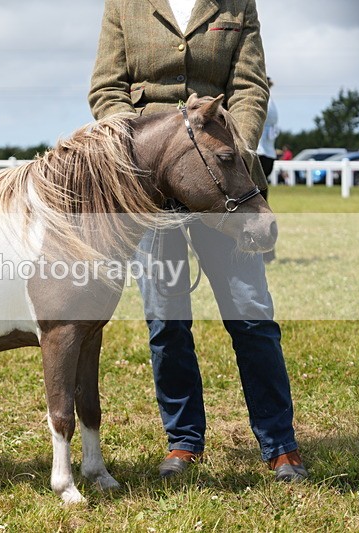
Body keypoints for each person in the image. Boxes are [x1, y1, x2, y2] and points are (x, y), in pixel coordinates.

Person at [88, 0, 307, 482]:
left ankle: (279, 443)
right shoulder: (124, 5)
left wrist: (229, 148)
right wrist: (148, 147)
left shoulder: (237, 4)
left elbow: (249, 86)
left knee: (251, 313)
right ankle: (184, 440)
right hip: (152, 188)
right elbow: (107, 89)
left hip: (225, 181)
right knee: (166, 319)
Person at [257, 77, 279, 261]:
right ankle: (267, 251)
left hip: (258, 154)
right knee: (262, 203)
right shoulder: (272, 103)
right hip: (268, 155)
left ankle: (264, 250)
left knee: (256, 205)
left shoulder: (261, 99)